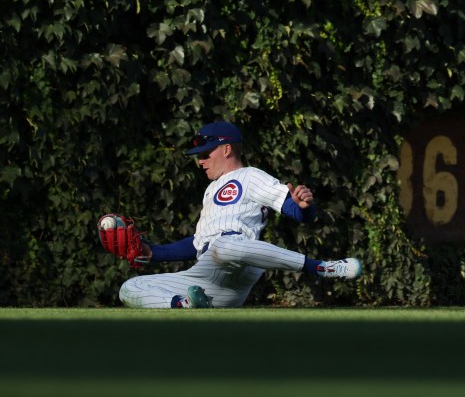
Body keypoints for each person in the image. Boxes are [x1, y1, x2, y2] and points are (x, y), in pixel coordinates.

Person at [119, 121, 362, 308]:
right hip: (211, 280)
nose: (200, 161)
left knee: (224, 244)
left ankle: (321, 267)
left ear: (226, 149)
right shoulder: (210, 190)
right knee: (130, 287)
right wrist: (153, 253)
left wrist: (305, 208)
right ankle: (185, 304)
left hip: (238, 262)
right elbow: (197, 244)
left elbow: (295, 211)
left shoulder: (250, 175)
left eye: (205, 154)